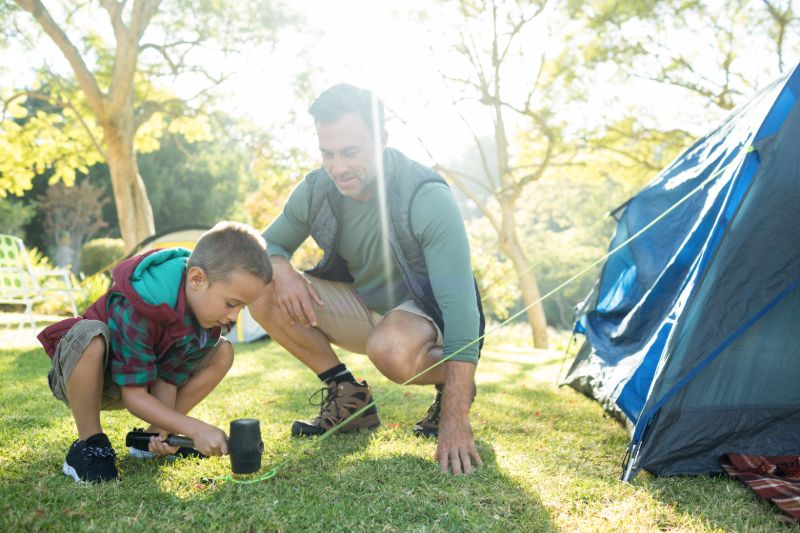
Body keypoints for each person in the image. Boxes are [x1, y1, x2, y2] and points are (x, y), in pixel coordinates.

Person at [249, 83, 486, 475]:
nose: (338, 167)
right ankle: (348, 395)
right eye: (328, 153)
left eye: (350, 152)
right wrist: (283, 269)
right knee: (262, 288)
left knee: (390, 349)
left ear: (381, 141)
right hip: (363, 305)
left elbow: (461, 309)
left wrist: (455, 418)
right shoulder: (317, 188)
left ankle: (455, 385)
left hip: (424, 317)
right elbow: (265, 243)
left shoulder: (425, 195)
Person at [38, 221, 272, 483]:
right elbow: (134, 397)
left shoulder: (204, 322)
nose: (233, 316)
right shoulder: (142, 303)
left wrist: (167, 430)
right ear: (197, 279)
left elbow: (169, 378)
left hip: (141, 379)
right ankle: (89, 444)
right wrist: (194, 428)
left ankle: (149, 438)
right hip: (83, 378)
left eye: (242, 308)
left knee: (223, 352)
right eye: (231, 304)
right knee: (90, 335)